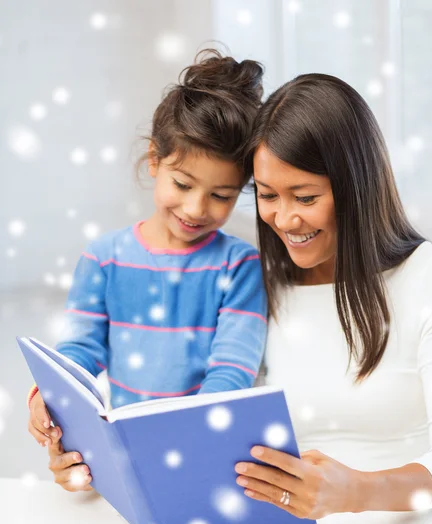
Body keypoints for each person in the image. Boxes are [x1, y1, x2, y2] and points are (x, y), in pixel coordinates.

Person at [233, 73, 432, 518]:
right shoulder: (260, 288)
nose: (284, 218)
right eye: (268, 195)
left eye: (306, 196)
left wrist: (355, 493)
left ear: (357, 186)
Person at [26, 49, 268, 492]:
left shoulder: (240, 266)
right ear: (154, 159)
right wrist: (51, 396)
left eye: (222, 195)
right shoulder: (104, 259)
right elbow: (80, 352)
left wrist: (189, 439)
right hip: (128, 456)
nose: (197, 208)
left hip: (206, 454)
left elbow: (232, 371)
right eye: (183, 184)